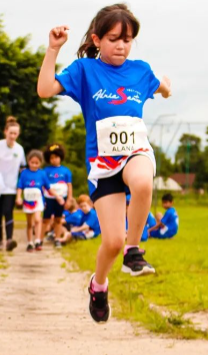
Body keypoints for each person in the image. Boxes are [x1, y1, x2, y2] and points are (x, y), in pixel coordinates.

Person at [37, 3, 172, 323]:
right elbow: (44, 90)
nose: (121, 46)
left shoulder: (140, 70)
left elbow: (162, 86)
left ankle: (134, 250)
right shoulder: (85, 71)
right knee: (111, 241)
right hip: (102, 164)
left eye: (127, 40)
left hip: (136, 152)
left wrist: (165, 87)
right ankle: (98, 285)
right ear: (97, 40)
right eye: (114, 39)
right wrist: (53, 50)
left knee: (142, 182)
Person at [0, 116, 26, 252]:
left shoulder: (20, 149)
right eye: (11, 133)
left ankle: (9, 240)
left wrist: (25, 183)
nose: (13, 136)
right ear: (5, 132)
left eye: (16, 133)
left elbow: (23, 169)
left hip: (11, 187)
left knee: (8, 211)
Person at [16, 150, 65, 252]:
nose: (34, 165)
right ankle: (30, 242)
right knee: (30, 223)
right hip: (28, 201)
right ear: (28, 161)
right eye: (32, 162)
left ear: (40, 163)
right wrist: (18, 197)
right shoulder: (24, 173)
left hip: (38, 201)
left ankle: (38, 240)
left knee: (38, 220)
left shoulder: (42, 173)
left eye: (36, 163)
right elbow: (20, 186)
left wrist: (57, 196)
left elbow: (48, 187)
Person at [42, 143, 73, 249]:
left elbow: (69, 186)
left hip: (61, 198)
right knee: (46, 219)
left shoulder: (66, 171)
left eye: (56, 157)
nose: (54, 159)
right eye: (51, 158)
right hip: (49, 198)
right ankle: (39, 238)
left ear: (60, 157)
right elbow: (43, 186)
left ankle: (57, 239)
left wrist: (69, 199)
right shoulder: (45, 171)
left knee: (58, 219)